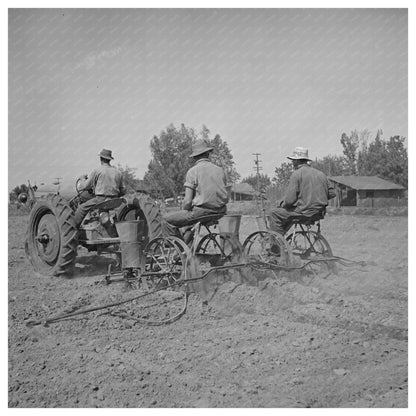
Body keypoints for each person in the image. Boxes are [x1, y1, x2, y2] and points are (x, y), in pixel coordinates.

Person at [164, 139, 229, 231]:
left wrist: (184, 211)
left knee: (166, 220)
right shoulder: (220, 170)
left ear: (194, 157)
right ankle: (187, 243)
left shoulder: (193, 171)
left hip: (201, 213)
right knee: (189, 223)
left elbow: (187, 202)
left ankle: (173, 244)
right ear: (208, 154)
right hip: (221, 212)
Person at [269, 146, 335, 235]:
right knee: (288, 213)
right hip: (318, 213)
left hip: (304, 213)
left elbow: (289, 200)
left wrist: (282, 204)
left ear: (297, 161)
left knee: (274, 213)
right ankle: (282, 237)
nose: (292, 163)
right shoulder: (321, 174)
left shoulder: (297, 174)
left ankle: (276, 246)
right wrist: (318, 198)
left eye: (293, 160)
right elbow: (332, 193)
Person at [73, 148, 126, 226]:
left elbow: (84, 186)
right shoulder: (118, 172)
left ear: (101, 159)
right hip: (114, 200)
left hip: (100, 200)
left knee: (81, 208)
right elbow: (123, 190)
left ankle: (74, 229)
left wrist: (82, 179)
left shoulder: (97, 171)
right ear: (109, 160)